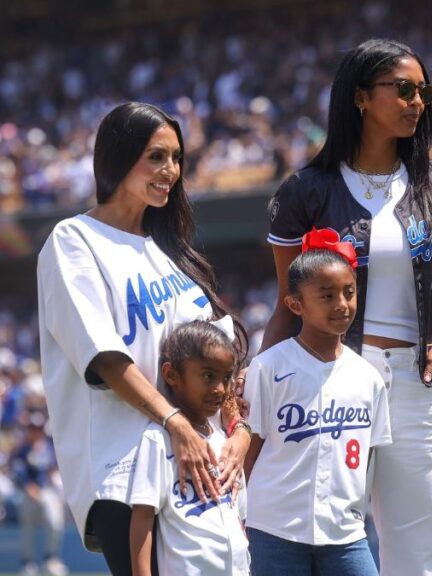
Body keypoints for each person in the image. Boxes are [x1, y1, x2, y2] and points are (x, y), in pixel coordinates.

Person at [259, 39, 432, 575]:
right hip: (330, 383)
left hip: (418, 384)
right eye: (402, 89)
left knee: (421, 547)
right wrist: (256, 386)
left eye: (424, 91)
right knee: (327, 536)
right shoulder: (306, 189)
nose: (416, 101)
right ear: (359, 97)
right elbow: (288, 303)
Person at [36, 102, 250, 575]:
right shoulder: (73, 240)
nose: (169, 171)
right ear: (118, 156)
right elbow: (106, 359)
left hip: (197, 463)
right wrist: (174, 422)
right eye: (156, 156)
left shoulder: (171, 252)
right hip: (126, 467)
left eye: (176, 159)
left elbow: (221, 357)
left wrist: (238, 433)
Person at [244, 229, 390, 575]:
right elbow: (247, 452)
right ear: (295, 304)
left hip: (344, 533)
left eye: (349, 292)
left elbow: (366, 459)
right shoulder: (267, 367)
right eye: (326, 295)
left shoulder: (368, 377)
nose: (342, 304)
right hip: (273, 530)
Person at [128, 319, 249, 576]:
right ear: (172, 375)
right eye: (208, 376)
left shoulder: (225, 445)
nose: (219, 389)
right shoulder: (158, 440)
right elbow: (142, 518)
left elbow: (240, 518)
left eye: (226, 377)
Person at [11, 412, 68, 576]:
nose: (35, 431)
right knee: (27, 527)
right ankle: (27, 562)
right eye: (32, 428)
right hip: (27, 492)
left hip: (47, 492)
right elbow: (18, 471)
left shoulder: (50, 446)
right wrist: (28, 487)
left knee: (55, 522)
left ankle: (50, 559)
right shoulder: (22, 449)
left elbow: (54, 469)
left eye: (38, 428)